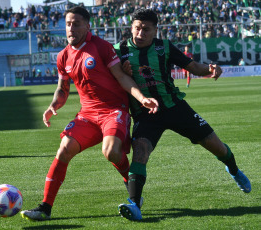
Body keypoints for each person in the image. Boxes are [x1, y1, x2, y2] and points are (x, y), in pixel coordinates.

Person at [20, 6, 159, 222]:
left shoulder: (101, 47)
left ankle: (131, 187)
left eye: (76, 24)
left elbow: (121, 77)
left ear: (87, 25)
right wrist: (53, 106)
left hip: (113, 110)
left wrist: (141, 99)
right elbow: (62, 88)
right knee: (64, 149)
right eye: (68, 24)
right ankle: (45, 208)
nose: (71, 28)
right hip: (88, 115)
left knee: (111, 151)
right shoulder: (63, 56)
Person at [113, 9, 251, 221]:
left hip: (175, 107)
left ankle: (233, 170)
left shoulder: (164, 47)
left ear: (155, 30)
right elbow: (109, 79)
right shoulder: (118, 50)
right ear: (131, 27)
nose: (140, 33)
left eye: (146, 29)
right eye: (137, 28)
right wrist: (122, 74)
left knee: (215, 145)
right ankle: (134, 203)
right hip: (145, 113)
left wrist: (210, 69)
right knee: (140, 152)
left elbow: (194, 67)